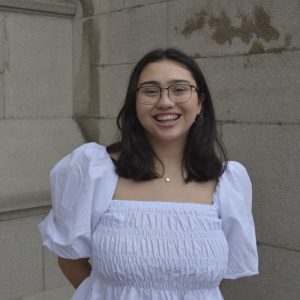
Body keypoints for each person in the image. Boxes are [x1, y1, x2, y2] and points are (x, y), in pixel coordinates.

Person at [39, 48, 259, 299]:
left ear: (200, 103)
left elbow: (211, 283)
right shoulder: (94, 170)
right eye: (150, 91)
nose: (165, 102)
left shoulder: (227, 182)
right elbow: (71, 261)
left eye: (179, 89)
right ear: (134, 103)